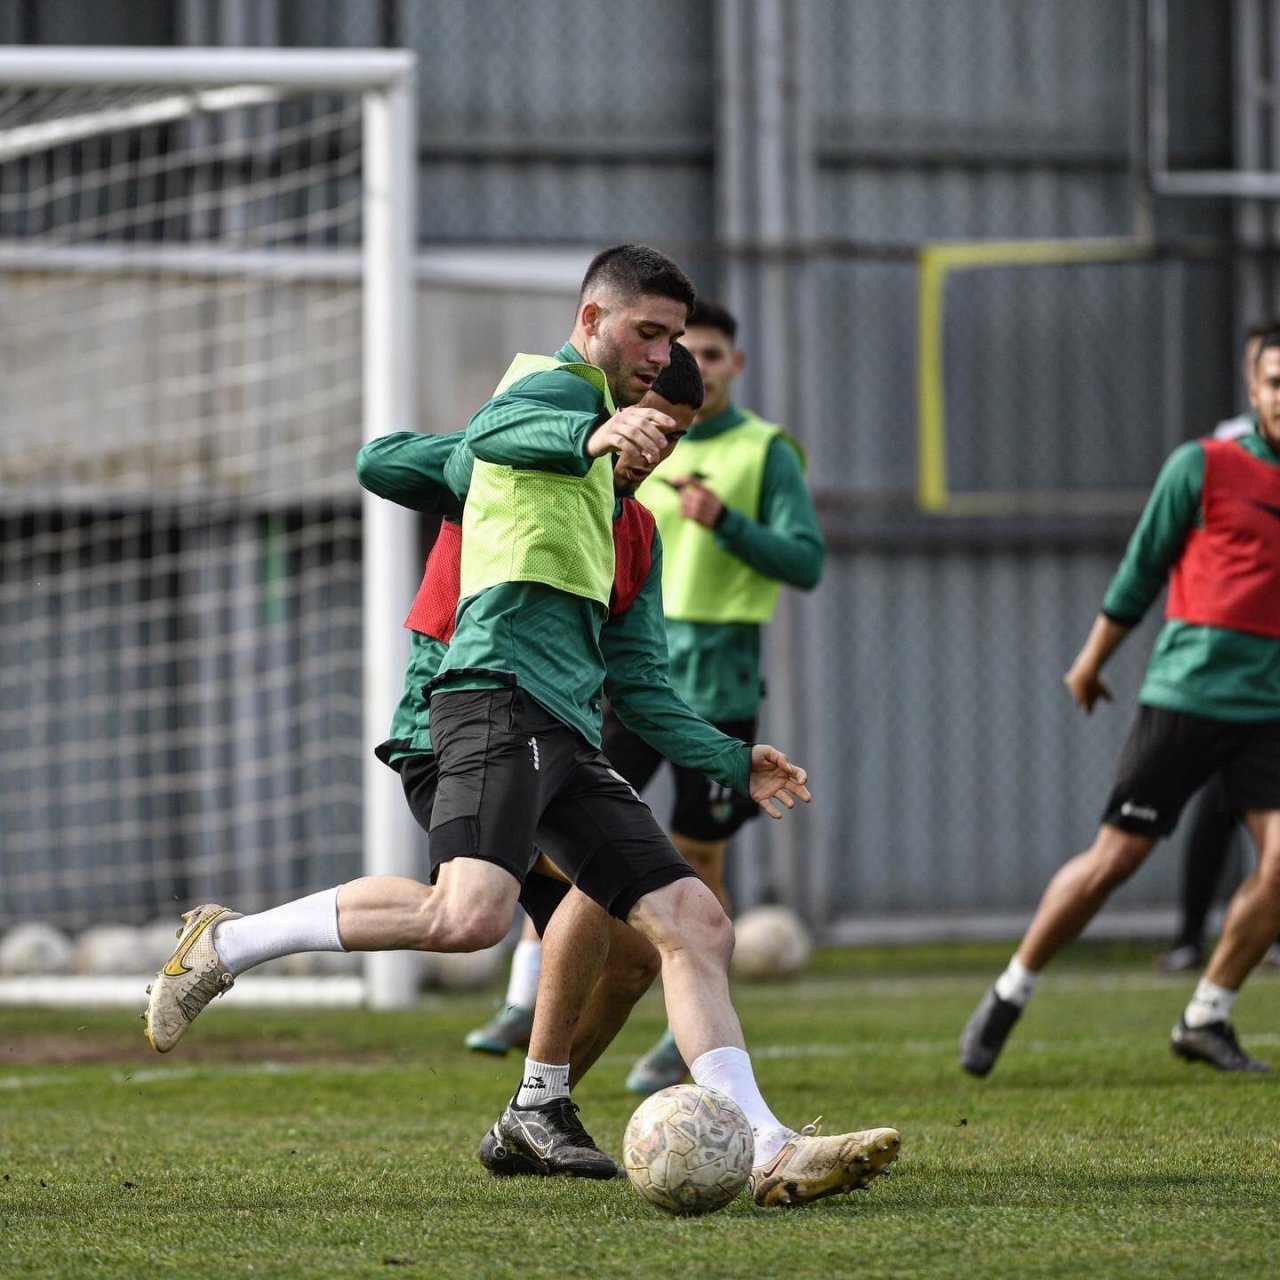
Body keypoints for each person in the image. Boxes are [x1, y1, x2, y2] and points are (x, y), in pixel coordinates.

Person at [147, 245, 900, 1207]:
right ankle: (231, 944)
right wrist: (566, 440)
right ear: (593, 328)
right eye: (648, 376)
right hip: (483, 702)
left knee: (693, 924)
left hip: (564, 733)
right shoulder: (539, 404)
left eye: (668, 434)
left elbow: (643, 682)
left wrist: (729, 754)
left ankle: (761, 1145)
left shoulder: (635, 531)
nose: (650, 444)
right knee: (469, 918)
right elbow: (394, 455)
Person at [464, 298, 827, 1092]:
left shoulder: (764, 452)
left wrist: (727, 522)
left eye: (710, 353)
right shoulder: (585, 430)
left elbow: (805, 563)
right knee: (518, 877)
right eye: (666, 345)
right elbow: (432, 453)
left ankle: (662, 1034)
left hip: (708, 684)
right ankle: (524, 1008)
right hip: (585, 694)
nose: (658, 444)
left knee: (689, 870)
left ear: (735, 365)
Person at [959, 325, 1280, 1078]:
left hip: (1271, 713)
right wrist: (1090, 662)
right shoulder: (1205, 465)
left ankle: (1207, 1015)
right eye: (1276, 380)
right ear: (1254, 387)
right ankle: (1011, 989)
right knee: (1116, 860)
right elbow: (1141, 571)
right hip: (1189, 697)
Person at [1156, 318, 1280, 973]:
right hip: (1227, 671)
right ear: (1252, 379)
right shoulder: (1223, 451)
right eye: (1269, 372)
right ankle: (1188, 935)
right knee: (1213, 809)